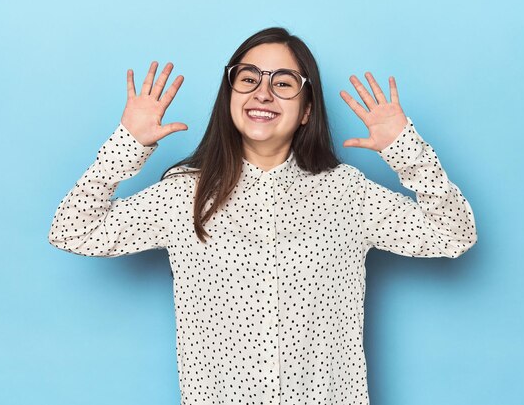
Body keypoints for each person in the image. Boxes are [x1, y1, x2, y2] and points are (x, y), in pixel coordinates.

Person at [48, 27, 477, 405]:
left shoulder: (348, 193)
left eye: (284, 82)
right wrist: (127, 145)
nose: (263, 92)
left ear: (307, 110)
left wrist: (407, 152)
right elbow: (71, 230)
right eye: (249, 78)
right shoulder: (185, 193)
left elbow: (455, 234)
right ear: (230, 96)